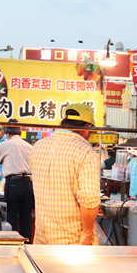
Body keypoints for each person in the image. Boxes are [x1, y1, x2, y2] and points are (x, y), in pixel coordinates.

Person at [29, 103, 101, 245]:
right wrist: (87, 233)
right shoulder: (86, 152)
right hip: (72, 242)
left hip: (42, 238)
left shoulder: (38, 147)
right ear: (87, 128)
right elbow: (89, 199)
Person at [0, 124, 34, 240]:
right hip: (28, 184)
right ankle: (27, 246)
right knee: (26, 218)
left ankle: (13, 246)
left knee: (11, 217)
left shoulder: (5, 144)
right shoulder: (29, 146)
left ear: (7, 134)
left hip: (13, 183)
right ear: (20, 133)